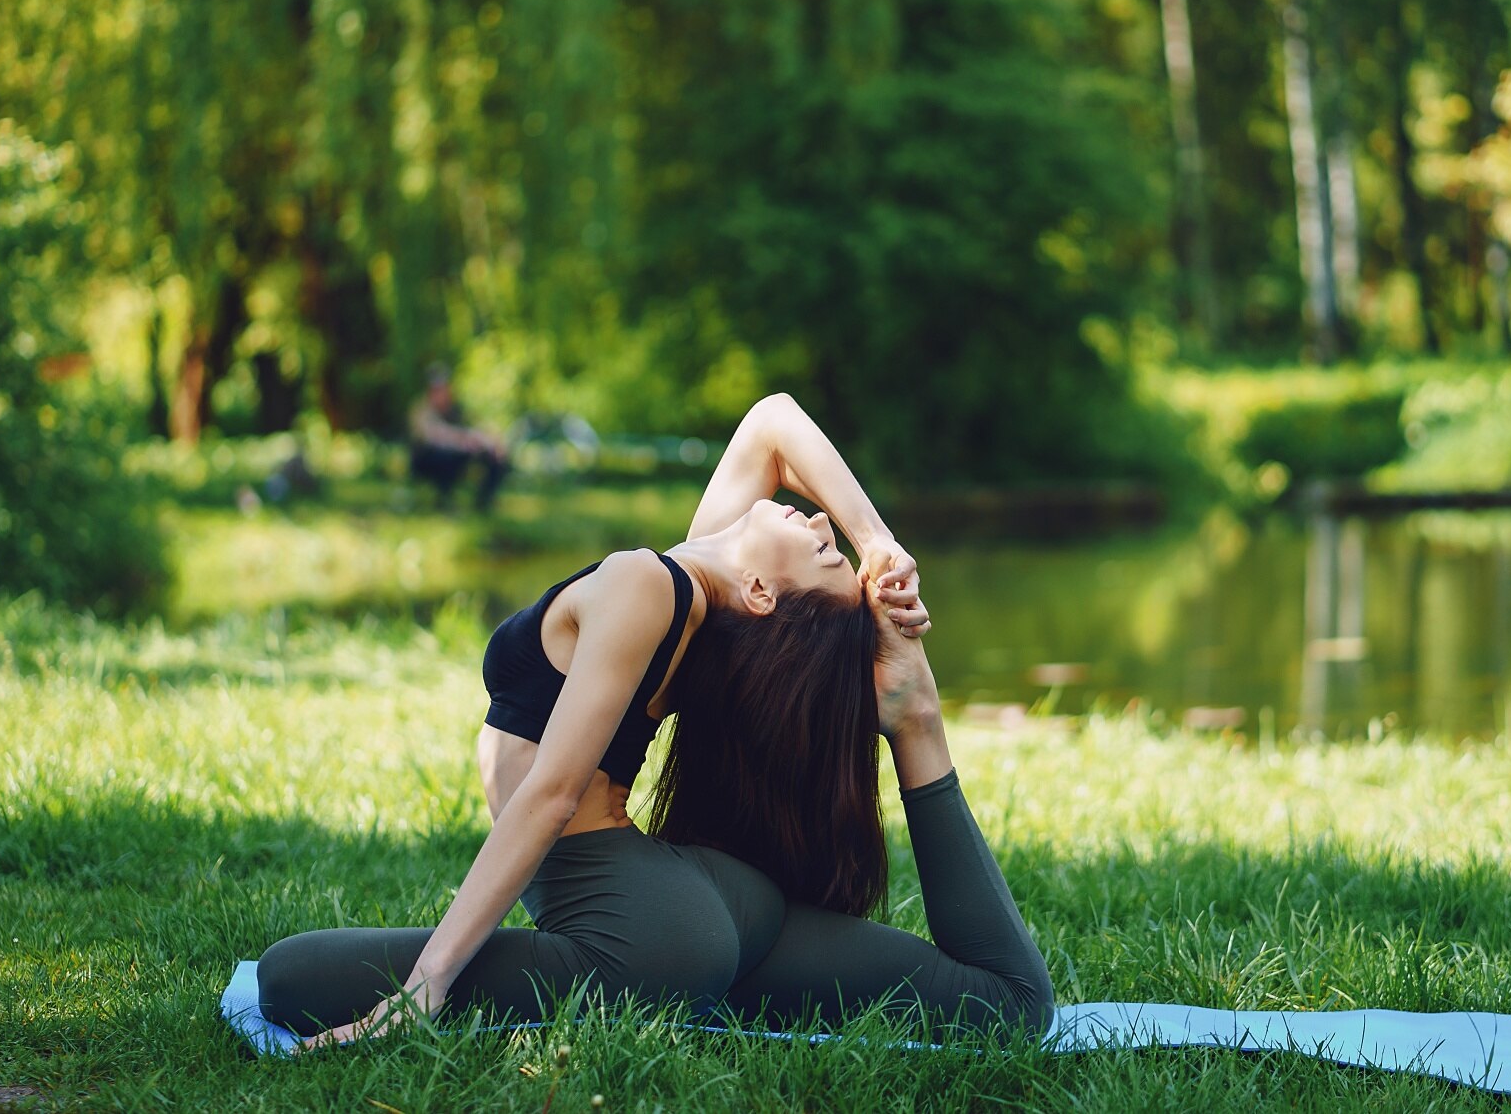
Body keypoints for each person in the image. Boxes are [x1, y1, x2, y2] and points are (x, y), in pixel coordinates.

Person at [253, 393, 1051, 1044]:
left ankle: (914, 719)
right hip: (727, 908)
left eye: (825, 551)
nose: (819, 522)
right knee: (1007, 1003)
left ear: (764, 594)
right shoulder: (694, 597)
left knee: (287, 975)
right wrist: (877, 542)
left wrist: (427, 985)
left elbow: (551, 795)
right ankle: (914, 724)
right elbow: (772, 425)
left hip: (641, 930)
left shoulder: (647, 584)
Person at [407, 363, 508, 511]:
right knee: (451, 455)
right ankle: (444, 499)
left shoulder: (458, 409)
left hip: (457, 454)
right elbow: (435, 435)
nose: (441, 393)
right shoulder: (420, 410)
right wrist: (467, 439)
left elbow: (478, 426)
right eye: (436, 389)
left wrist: (490, 442)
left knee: (496, 456)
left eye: (443, 388)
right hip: (426, 460)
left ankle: (483, 502)